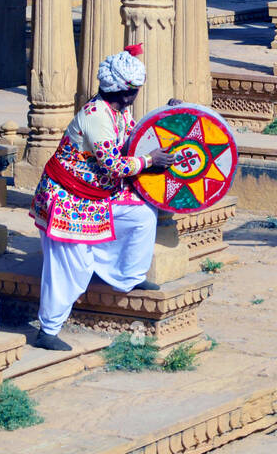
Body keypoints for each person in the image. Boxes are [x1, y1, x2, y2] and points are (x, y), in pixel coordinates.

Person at [29, 44, 179, 350]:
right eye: (132, 90)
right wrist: (150, 161)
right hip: (67, 199)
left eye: (136, 90)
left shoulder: (118, 110)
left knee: (141, 215)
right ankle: (47, 330)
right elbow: (114, 163)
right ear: (120, 90)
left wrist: (168, 114)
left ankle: (128, 276)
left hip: (97, 194)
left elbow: (136, 136)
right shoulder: (97, 116)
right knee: (71, 266)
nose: (133, 96)